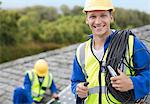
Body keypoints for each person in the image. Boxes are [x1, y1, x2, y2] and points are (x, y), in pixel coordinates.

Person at [71, 0, 150, 104]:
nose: (98, 22)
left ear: (111, 17)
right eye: (92, 16)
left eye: (103, 16)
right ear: (87, 19)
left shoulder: (130, 43)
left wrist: (133, 83)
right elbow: (75, 82)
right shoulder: (81, 51)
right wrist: (78, 89)